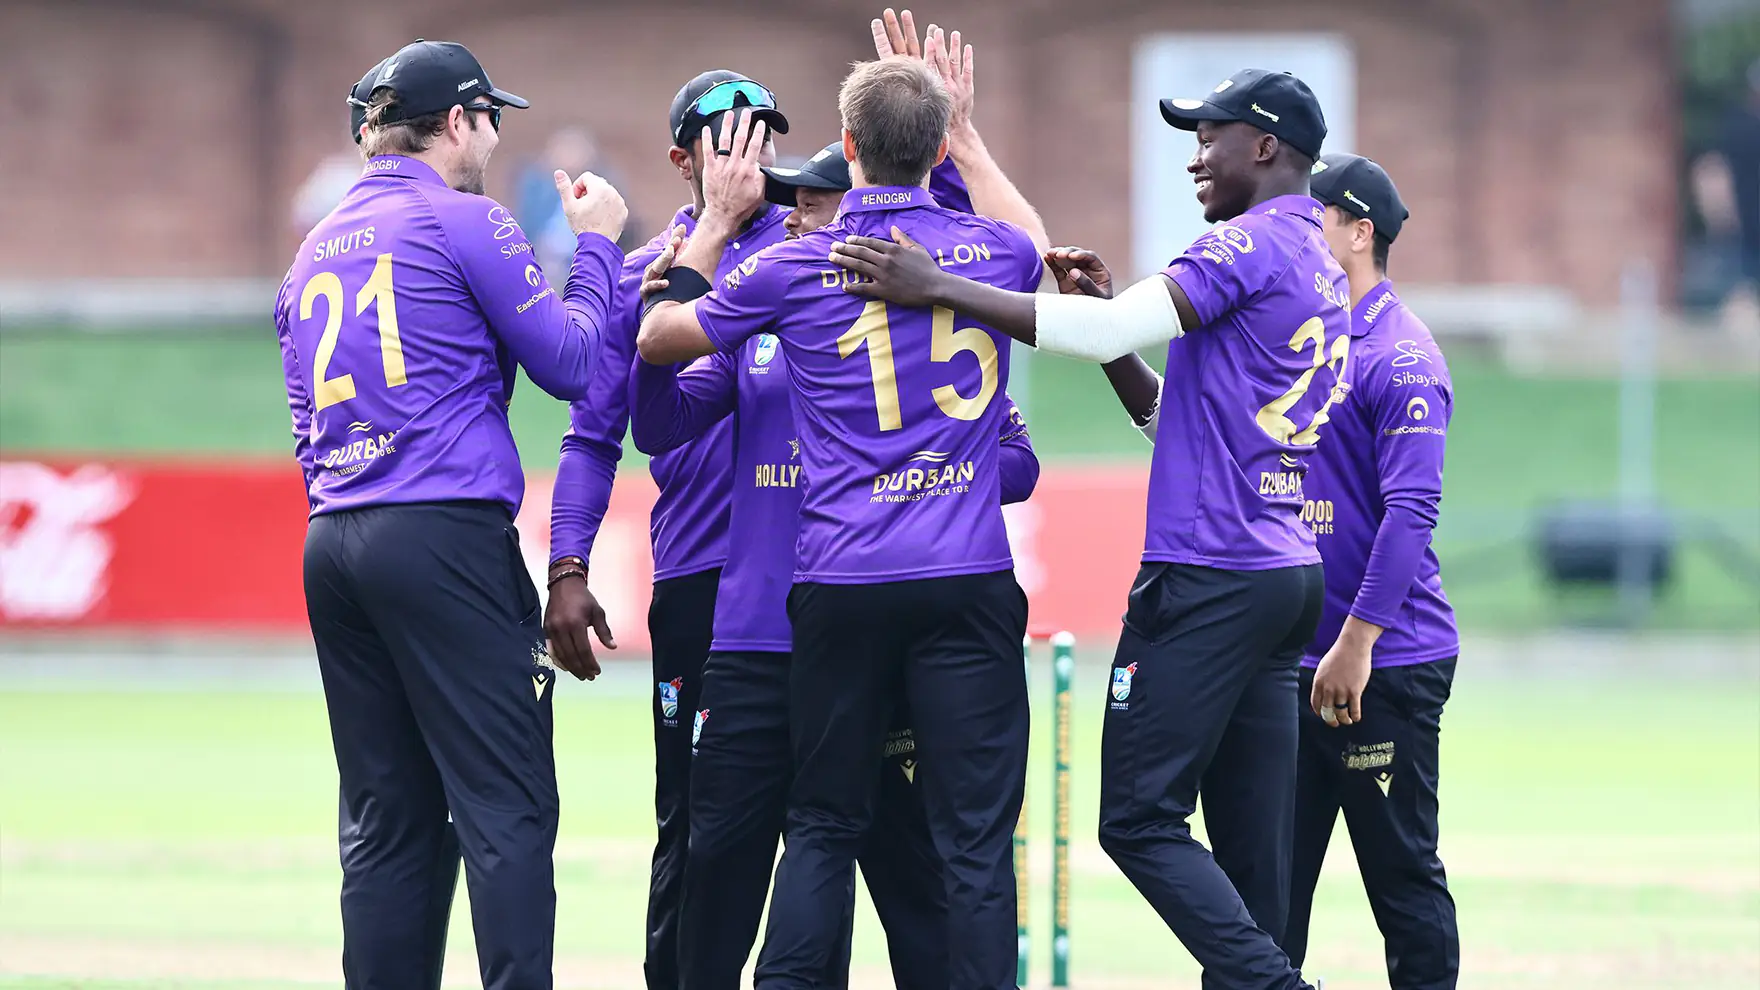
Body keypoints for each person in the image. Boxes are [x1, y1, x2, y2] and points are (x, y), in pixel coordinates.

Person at [827, 67, 1348, 990]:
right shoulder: (1317, 257)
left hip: (1211, 572)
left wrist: (935, 285)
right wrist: (1115, 339)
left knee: (1139, 820)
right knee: (1249, 845)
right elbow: (1174, 415)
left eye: (1210, 135)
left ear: (1265, 147)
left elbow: (1104, 331)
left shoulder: (1245, 246)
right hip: (1283, 572)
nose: (1195, 156)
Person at [637, 56, 1043, 990]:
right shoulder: (991, 253)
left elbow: (660, 343)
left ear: (849, 147)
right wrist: (969, 137)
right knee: (975, 845)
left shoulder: (793, 263)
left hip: (842, 581)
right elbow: (1037, 249)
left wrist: (695, 248)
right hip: (965, 577)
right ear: (938, 148)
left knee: (822, 823)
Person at [275, 38, 627, 990]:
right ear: (460, 122)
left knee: (388, 817)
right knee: (506, 802)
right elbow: (577, 365)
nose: (492, 137)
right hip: (441, 534)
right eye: (490, 118)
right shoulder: (467, 219)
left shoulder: (311, 248)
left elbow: (306, 419)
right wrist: (598, 247)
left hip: (335, 537)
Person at [543, 68, 790, 990]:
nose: (750, 151)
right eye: (729, 135)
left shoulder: (814, 253)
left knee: (829, 828)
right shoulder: (645, 280)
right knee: (693, 827)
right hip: (700, 583)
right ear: (684, 157)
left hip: (822, 581)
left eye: (765, 132)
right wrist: (568, 562)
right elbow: (594, 438)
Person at [1282, 153, 1460, 990]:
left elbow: (1411, 514)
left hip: (1381, 663)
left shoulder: (1402, 355)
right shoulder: (1296, 339)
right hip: (1288, 661)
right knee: (1266, 891)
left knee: (1400, 878)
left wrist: (1356, 643)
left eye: (1311, 214)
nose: (1295, 227)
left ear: (1359, 232)